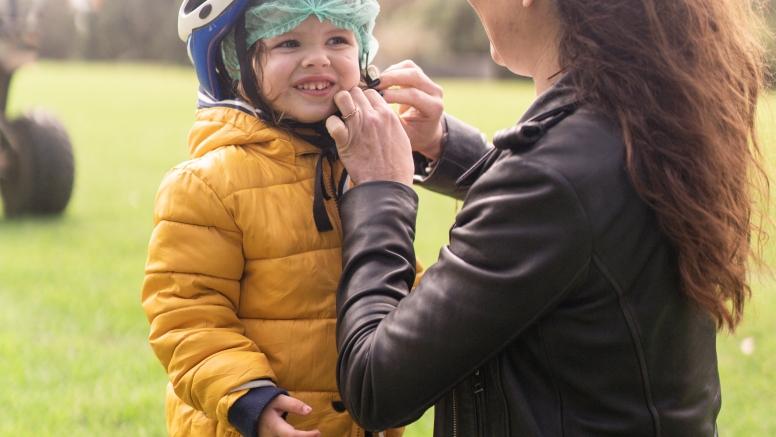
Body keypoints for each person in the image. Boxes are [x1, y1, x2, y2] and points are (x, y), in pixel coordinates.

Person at [328, 0, 770, 435]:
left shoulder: (554, 179)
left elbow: (373, 385)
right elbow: (576, 213)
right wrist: (444, 145)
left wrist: (381, 188)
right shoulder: (637, 118)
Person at [141, 1, 417, 436]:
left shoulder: (363, 167)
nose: (317, 57)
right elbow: (187, 315)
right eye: (289, 40)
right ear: (233, 63)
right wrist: (248, 395)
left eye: (338, 39)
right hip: (254, 423)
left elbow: (399, 282)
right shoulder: (208, 184)